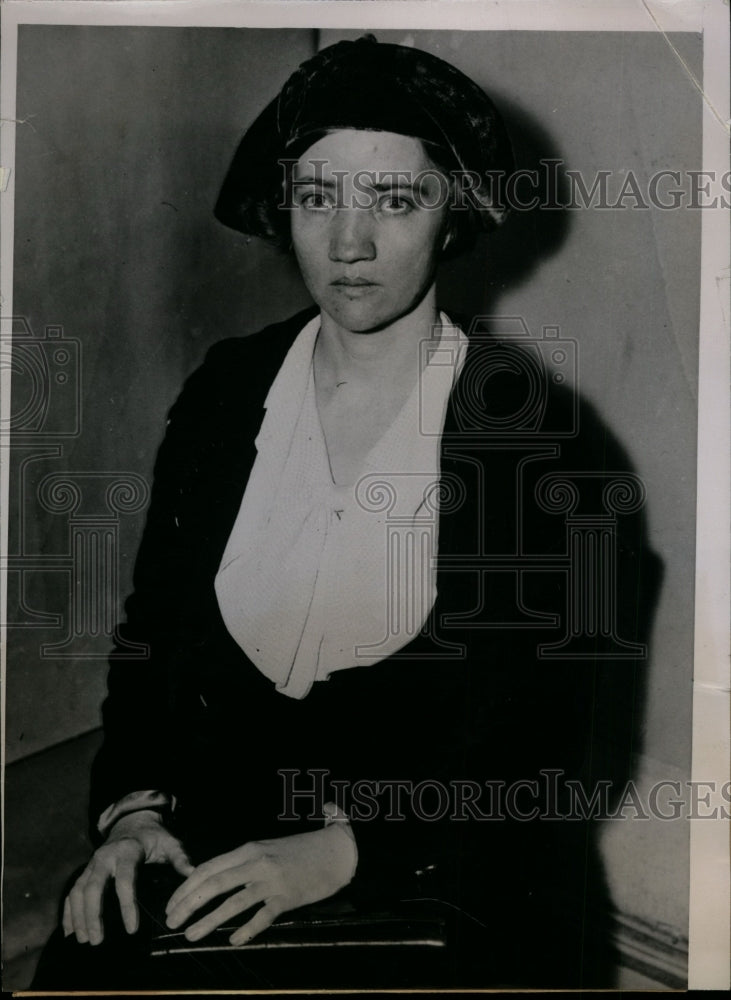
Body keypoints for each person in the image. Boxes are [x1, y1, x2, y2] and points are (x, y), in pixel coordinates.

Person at [33, 35, 659, 990]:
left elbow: (538, 746)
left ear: (454, 214)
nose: (349, 243)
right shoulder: (226, 393)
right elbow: (154, 639)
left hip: (444, 854)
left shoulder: (538, 448)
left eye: (394, 202)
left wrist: (342, 850)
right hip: (213, 834)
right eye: (318, 198)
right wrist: (135, 812)